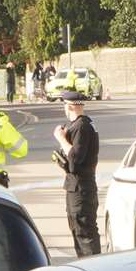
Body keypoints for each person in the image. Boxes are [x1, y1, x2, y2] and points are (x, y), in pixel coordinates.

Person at [53, 91, 101, 255]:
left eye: (65, 105)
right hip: (77, 186)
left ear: (70, 106)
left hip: (81, 188)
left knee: (84, 233)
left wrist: (61, 139)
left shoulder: (81, 126)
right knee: (78, 231)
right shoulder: (80, 125)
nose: (64, 108)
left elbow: (76, 157)